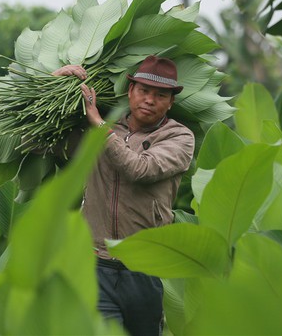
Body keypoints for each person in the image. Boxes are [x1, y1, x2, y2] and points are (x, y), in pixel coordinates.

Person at [52, 55, 195, 336]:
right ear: (130, 91)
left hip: (145, 268)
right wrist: (55, 84)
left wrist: (97, 122)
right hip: (97, 264)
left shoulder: (179, 138)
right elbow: (37, 145)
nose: (150, 100)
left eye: (160, 95)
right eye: (143, 91)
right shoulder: (101, 129)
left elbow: (139, 169)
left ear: (171, 102)